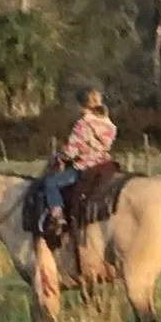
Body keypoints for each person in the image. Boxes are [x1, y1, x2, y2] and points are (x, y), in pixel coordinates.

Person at [39, 87, 116, 234]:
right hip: (104, 162)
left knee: (50, 183)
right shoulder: (108, 123)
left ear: (82, 105)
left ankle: (57, 216)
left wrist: (59, 156)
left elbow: (72, 151)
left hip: (85, 166)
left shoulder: (83, 124)